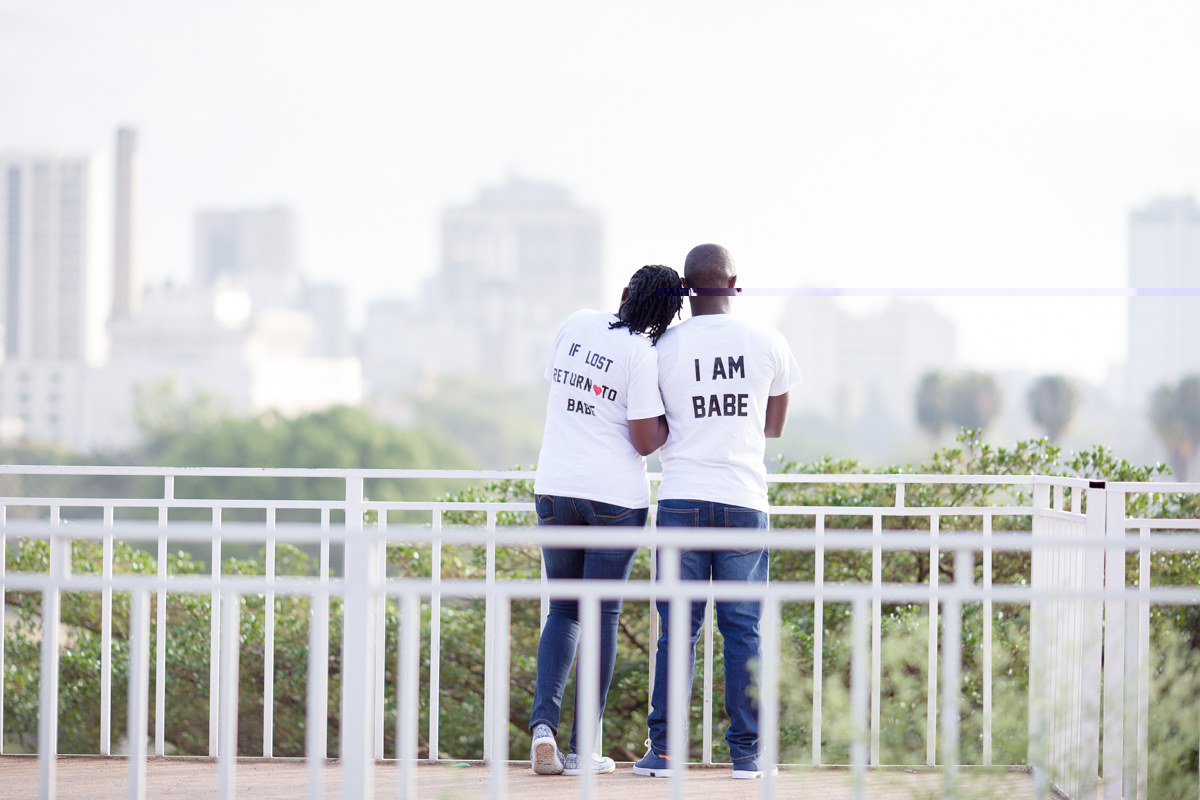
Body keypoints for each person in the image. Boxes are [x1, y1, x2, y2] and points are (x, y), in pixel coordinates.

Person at [633, 244, 801, 780]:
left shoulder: (661, 348)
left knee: (676, 631)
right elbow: (774, 427)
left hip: (681, 498)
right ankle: (748, 757)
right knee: (743, 631)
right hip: (743, 500)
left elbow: (652, 426)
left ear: (686, 288)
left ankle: (664, 753)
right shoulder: (769, 342)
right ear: (734, 284)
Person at [529, 264, 683, 776]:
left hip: (554, 489)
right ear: (666, 316)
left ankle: (542, 729)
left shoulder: (575, 323)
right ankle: (582, 751)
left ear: (624, 294)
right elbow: (643, 440)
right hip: (613, 500)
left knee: (563, 609)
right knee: (602, 617)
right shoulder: (642, 354)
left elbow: (563, 390)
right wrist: (671, 421)